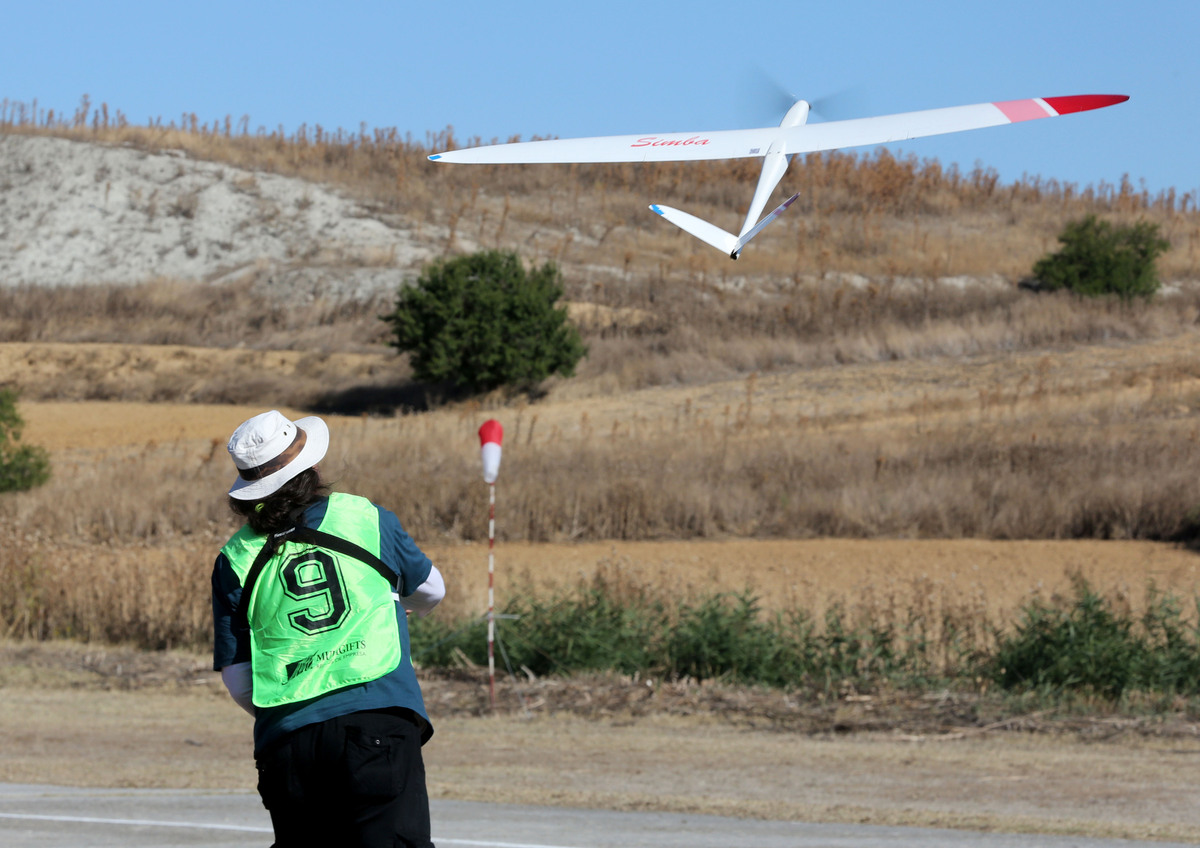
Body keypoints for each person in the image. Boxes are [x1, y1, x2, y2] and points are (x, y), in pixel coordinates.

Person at [211, 410, 444, 848]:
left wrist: (289, 708)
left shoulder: (234, 557)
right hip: (376, 718)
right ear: (312, 469)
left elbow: (239, 678)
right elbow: (431, 589)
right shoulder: (362, 515)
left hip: (288, 742)